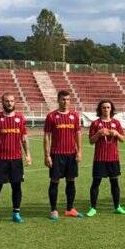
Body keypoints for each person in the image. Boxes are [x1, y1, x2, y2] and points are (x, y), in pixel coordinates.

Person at [0, 93, 31, 225]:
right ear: (2, 102)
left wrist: (28, 154)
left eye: (11, 101)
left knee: (17, 187)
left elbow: (24, 138)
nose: (9, 103)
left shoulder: (20, 118)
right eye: (6, 101)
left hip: (16, 160)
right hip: (0, 159)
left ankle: (16, 213)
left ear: (14, 102)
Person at [43, 90, 83, 220]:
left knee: (71, 181)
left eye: (67, 99)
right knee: (55, 181)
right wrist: (47, 155)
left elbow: (78, 134)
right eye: (63, 99)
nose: (65, 102)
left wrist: (80, 151)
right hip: (56, 154)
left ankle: (70, 208)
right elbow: (47, 136)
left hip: (71, 155)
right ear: (58, 100)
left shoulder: (75, 116)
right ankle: (53, 210)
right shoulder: (51, 116)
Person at [87, 100, 125, 216]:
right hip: (100, 158)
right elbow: (90, 141)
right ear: (100, 109)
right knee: (96, 183)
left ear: (111, 109)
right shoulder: (95, 124)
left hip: (113, 158)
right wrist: (98, 134)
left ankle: (117, 206)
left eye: (108, 107)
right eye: (104, 107)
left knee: (115, 183)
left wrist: (116, 134)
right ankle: (93, 208)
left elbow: (123, 139)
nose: (106, 109)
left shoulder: (116, 123)